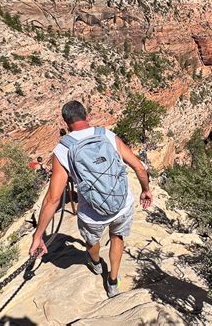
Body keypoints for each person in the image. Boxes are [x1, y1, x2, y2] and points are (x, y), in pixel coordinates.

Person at [29, 100, 152, 298]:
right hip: (122, 204)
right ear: (87, 116)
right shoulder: (107, 135)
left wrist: (38, 236)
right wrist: (145, 190)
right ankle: (112, 280)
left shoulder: (63, 150)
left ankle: (95, 263)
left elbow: (53, 198)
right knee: (117, 237)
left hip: (92, 214)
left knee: (91, 241)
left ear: (66, 123)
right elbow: (139, 167)